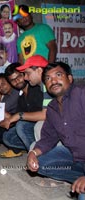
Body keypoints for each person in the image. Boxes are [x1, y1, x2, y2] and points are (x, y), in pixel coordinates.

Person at [27, 62, 85, 199]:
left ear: (70, 79)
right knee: (39, 162)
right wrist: (33, 153)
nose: (53, 81)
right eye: (47, 78)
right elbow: (48, 138)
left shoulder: (82, 95)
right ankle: (78, 179)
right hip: (76, 157)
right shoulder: (52, 108)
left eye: (58, 75)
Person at [0, 63, 43, 158]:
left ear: (25, 75)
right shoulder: (21, 97)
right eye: (12, 80)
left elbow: (44, 115)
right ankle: (30, 146)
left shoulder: (37, 89)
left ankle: (38, 155)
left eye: (18, 76)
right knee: (7, 136)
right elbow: (18, 117)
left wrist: (17, 117)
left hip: (43, 127)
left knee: (21, 126)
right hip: (31, 128)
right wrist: (7, 118)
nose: (17, 81)